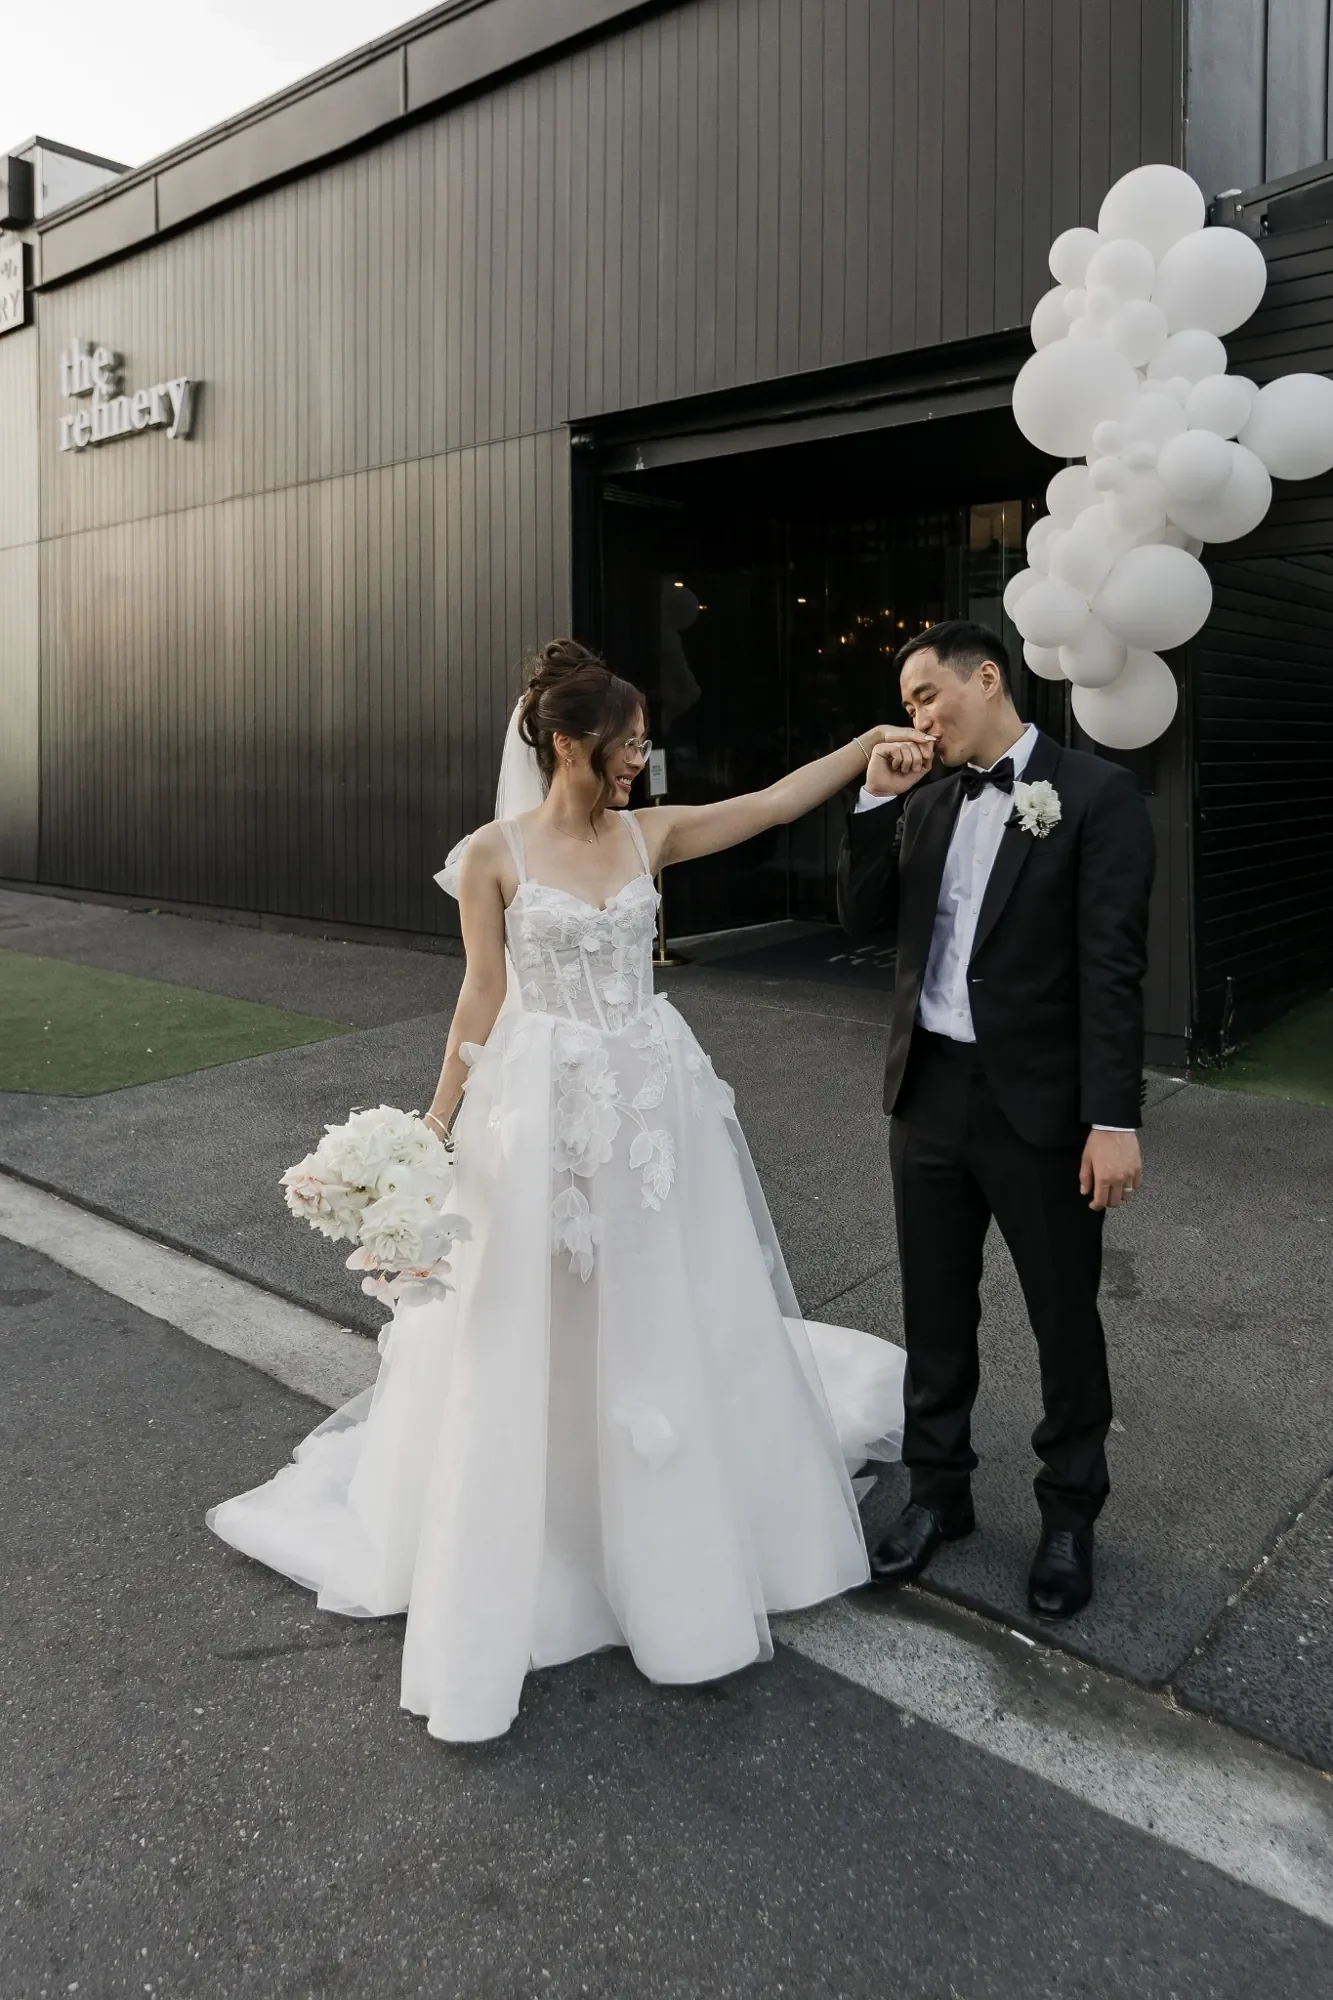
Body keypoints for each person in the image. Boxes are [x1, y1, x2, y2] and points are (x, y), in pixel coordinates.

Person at [210, 639, 906, 1744]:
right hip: (538, 1109)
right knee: (539, 1314)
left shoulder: (651, 833)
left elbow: (772, 803)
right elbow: (480, 994)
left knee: (662, 1299)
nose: (642, 757)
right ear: (571, 740)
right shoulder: (491, 855)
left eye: (643, 740)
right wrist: (429, 1130)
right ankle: (549, 1534)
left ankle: (672, 1534)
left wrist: (865, 744)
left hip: (651, 1107)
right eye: (629, 740)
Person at [837, 620, 1155, 1621]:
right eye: (908, 700)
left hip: (1042, 1109)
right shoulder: (923, 797)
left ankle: (1069, 1514)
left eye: (926, 693)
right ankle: (939, 1495)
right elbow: (859, 918)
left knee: (1063, 1315)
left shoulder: (1095, 794)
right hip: (925, 1093)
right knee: (935, 1310)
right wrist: (872, 800)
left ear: (987, 677)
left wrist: (1112, 1117)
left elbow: (1111, 970)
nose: (916, 715)